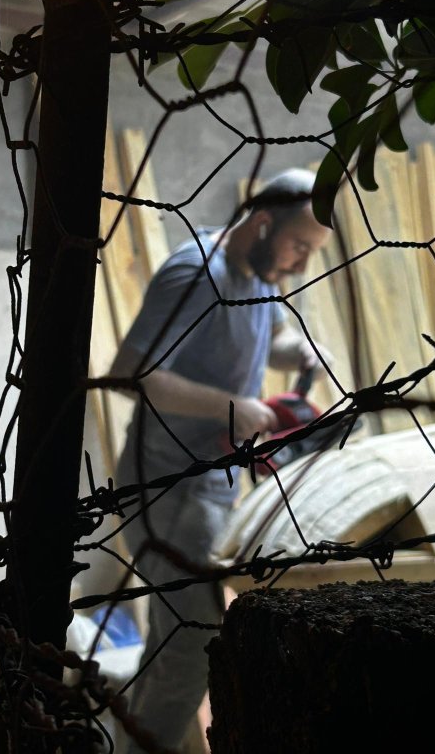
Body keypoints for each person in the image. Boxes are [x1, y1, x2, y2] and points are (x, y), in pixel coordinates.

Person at [111, 168, 332, 753]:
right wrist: (233, 408)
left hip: (209, 480)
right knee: (192, 642)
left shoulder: (258, 273)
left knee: (172, 637)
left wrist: (301, 350)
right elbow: (131, 372)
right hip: (166, 485)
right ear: (262, 225)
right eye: (299, 246)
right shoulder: (197, 273)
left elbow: (268, 339)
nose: (302, 263)